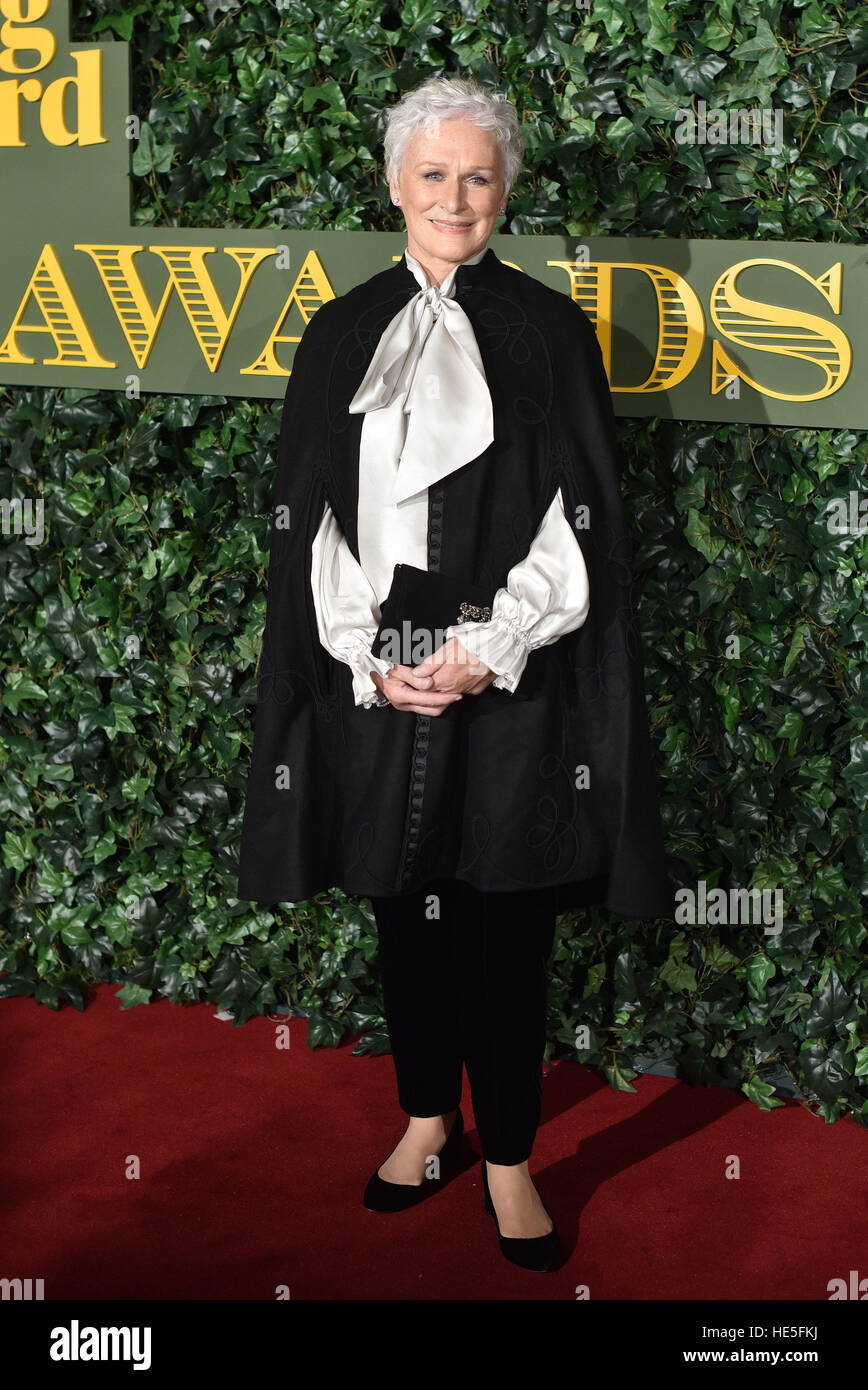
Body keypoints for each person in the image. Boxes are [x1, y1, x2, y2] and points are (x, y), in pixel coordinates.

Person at [237, 75, 675, 1273]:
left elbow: (580, 520)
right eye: (432, 173)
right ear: (395, 184)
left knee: (504, 928)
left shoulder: (549, 331)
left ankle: (510, 1158)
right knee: (405, 915)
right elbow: (313, 521)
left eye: (478, 176)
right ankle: (428, 1118)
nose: (454, 196)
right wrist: (370, 656)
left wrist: (491, 645)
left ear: (506, 190)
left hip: (511, 683)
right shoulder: (339, 331)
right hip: (380, 678)